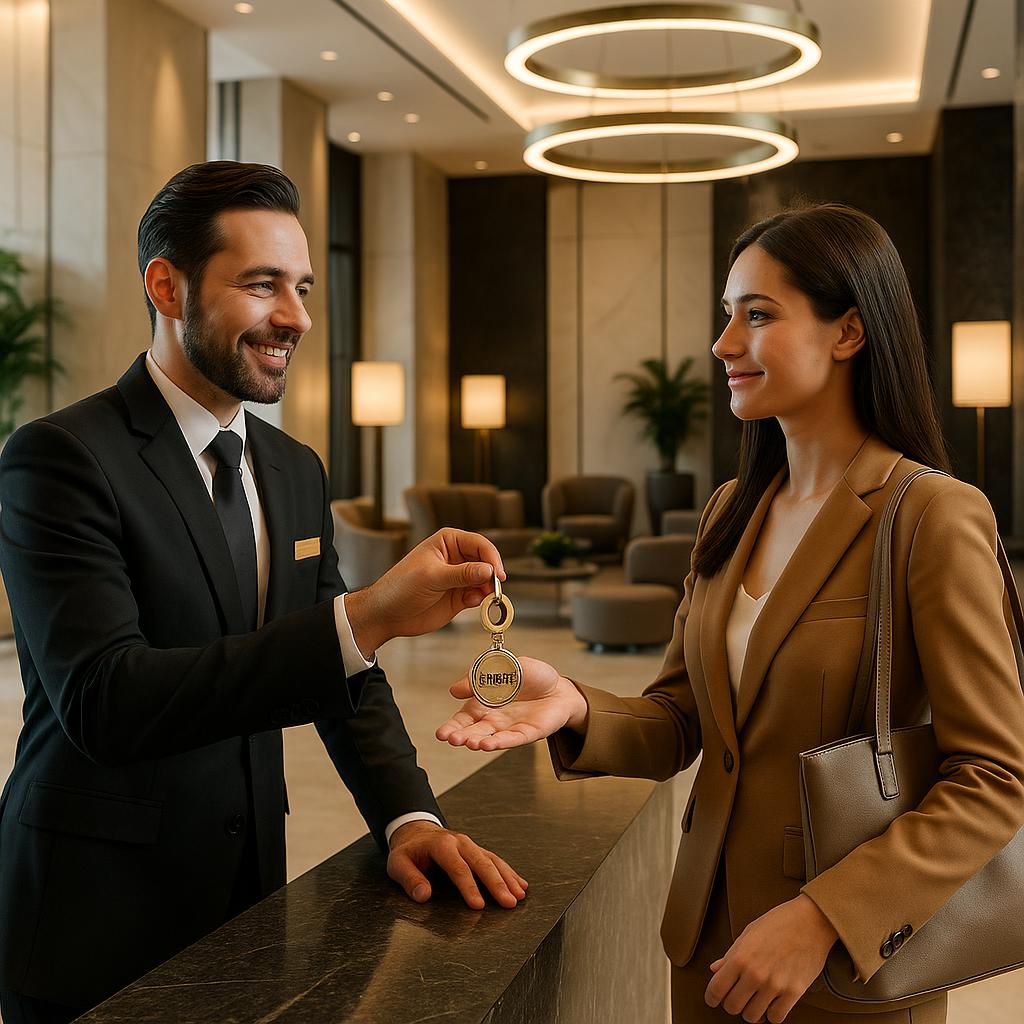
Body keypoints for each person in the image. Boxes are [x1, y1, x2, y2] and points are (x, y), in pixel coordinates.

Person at [438, 203, 1024, 1023]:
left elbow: (996, 780)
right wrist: (575, 704)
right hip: (708, 943)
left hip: (847, 970)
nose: (723, 344)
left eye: (758, 314)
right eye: (726, 315)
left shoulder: (933, 516)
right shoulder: (729, 513)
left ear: (848, 331)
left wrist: (823, 917)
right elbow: (683, 720)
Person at [0, 161, 526, 1024]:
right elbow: (105, 701)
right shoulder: (60, 457)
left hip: (247, 894)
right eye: (262, 284)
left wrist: (410, 818)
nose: (297, 317)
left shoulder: (292, 469)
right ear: (166, 287)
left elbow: (341, 670)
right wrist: (368, 615)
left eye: (304, 287)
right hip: (89, 915)